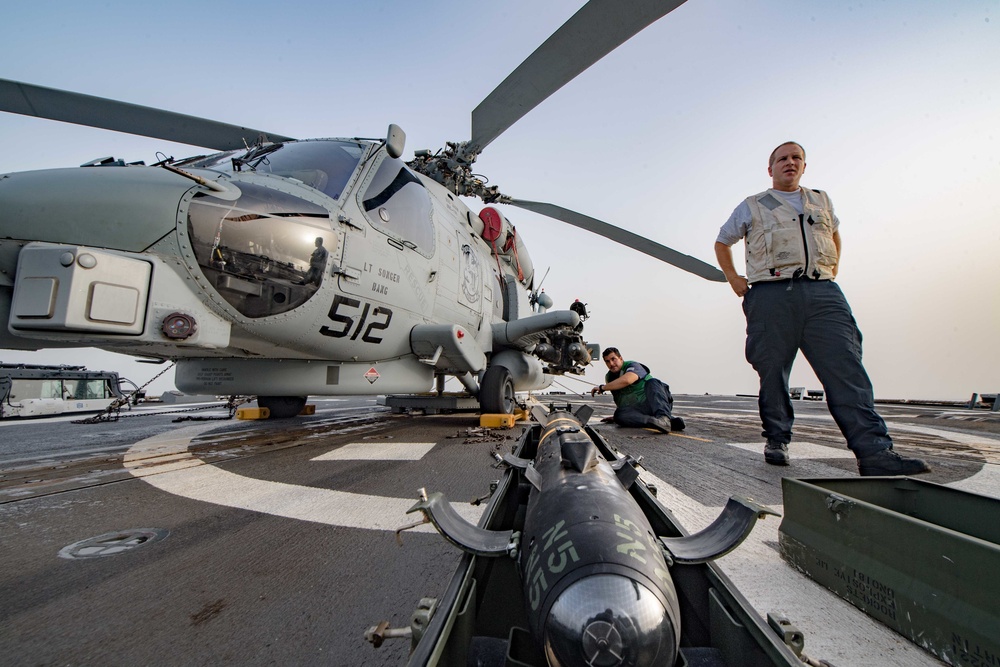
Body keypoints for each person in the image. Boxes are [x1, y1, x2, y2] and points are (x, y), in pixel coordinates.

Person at [714, 141, 929, 476]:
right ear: (770, 169)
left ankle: (874, 452)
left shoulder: (821, 200)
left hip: (822, 293)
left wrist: (833, 268)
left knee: (847, 369)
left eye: (796, 157)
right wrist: (733, 277)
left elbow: (834, 234)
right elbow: (723, 241)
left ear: (804, 165)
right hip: (771, 295)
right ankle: (777, 438)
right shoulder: (753, 205)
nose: (790, 162)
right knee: (772, 373)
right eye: (782, 159)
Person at [590, 347, 685, 434]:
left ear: (621, 358)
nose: (611, 363)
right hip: (640, 409)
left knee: (653, 382)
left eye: (613, 359)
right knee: (619, 415)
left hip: (656, 403)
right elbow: (620, 401)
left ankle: (664, 419)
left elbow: (627, 380)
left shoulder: (633, 365)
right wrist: (624, 415)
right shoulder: (609, 377)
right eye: (607, 361)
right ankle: (666, 422)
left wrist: (603, 388)